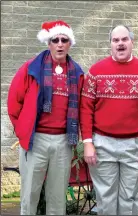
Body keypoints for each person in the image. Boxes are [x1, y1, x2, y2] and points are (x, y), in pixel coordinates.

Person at [80, 25, 138, 215]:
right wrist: (87, 143)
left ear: (132, 42)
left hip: (135, 144)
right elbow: (85, 109)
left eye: (124, 39)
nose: (120, 44)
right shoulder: (96, 72)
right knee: (105, 196)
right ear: (110, 44)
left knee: (130, 196)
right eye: (115, 40)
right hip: (102, 143)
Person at [7, 20, 84, 215]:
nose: (59, 44)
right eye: (55, 39)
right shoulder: (31, 68)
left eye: (64, 40)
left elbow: (82, 107)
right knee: (29, 195)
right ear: (48, 43)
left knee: (58, 198)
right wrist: (22, 130)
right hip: (35, 140)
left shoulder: (78, 73)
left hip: (64, 141)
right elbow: (14, 102)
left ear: (69, 43)